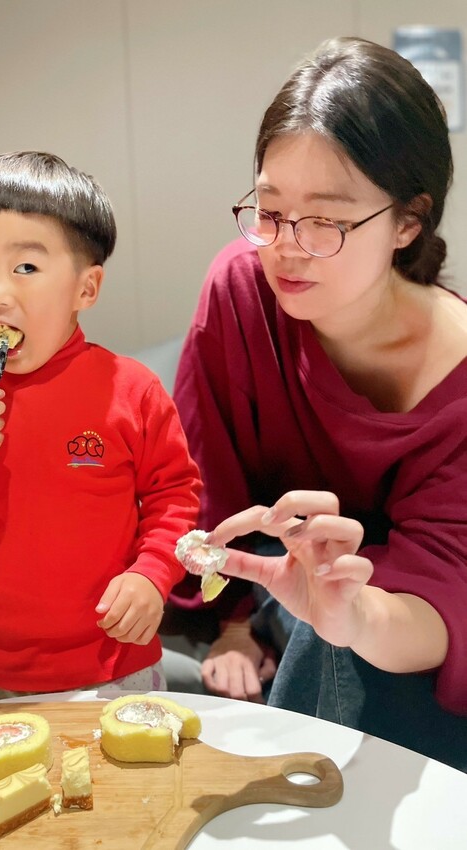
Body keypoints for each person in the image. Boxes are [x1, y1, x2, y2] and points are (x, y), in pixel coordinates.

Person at [171, 36, 467, 770]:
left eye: (325, 221)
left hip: (384, 604)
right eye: (268, 211)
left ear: (407, 221)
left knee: (333, 632)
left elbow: (445, 591)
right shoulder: (239, 292)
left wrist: (352, 612)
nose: (285, 249)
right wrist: (231, 620)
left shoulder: (456, 377)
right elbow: (204, 481)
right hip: (287, 566)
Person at [0, 151, 201, 703]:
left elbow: (176, 497)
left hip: (115, 663)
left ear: (86, 289)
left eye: (25, 267)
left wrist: (152, 575)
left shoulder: (132, 390)